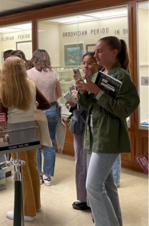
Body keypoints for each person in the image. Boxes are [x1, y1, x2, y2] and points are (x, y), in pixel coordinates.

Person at [75, 36, 139, 225]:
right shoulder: (99, 74)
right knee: (107, 185)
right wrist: (83, 91)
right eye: (95, 51)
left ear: (114, 52)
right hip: (96, 134)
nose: (96, 55)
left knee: (93, 186)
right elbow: (90, 106)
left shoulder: (122, 76)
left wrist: (97, 92)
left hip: (108, 137)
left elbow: (124, 109)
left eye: (100, 51)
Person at [1, 56, 50, 222]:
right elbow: (45, 104)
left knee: (20, 171)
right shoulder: (31, 84)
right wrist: (32, 109)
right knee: (32, 166)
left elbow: (2, 114)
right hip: (31, 129)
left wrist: (0, 138)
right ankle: (35, 204)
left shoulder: (5, 87)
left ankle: (27, 211)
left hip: (15, 132)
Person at [66, 52, 99, 211]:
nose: (86, 66)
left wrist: (83, 95)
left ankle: (94, 200)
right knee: (80, 161)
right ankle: (83, 198)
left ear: (97, 64)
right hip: (79, 126)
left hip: (93, 127)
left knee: (92, 162)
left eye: (90, 63)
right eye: (84, 63)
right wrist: (71, 103)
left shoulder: (98, 83)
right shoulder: (76, 84)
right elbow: (71, 106)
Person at [27, 49, 62, 186]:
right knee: (50, 143)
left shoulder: (28, 74)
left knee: (35, 143)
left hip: (35, 110)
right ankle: (47, 176)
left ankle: (38, 174)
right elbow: (58, 93)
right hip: (51, 109)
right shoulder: (54, 74)